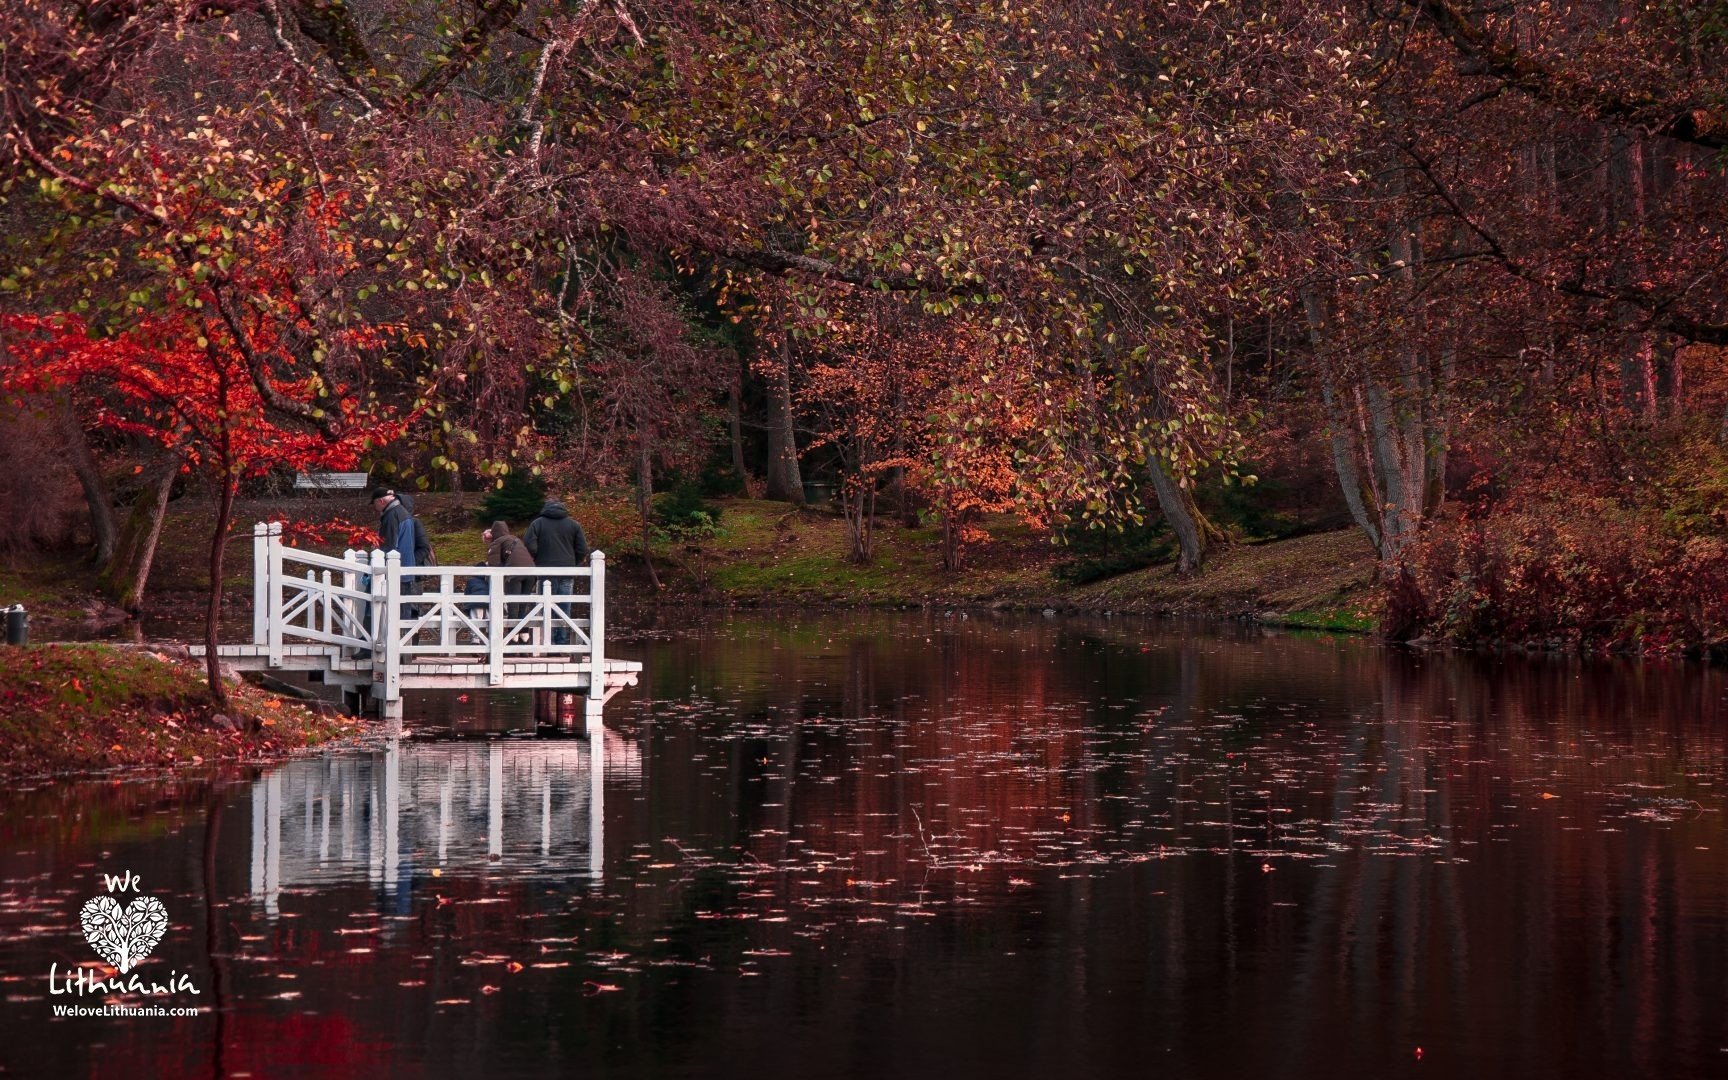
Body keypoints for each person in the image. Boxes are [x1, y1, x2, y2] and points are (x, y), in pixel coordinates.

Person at [522, 498, 589, 646]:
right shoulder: (573, 524)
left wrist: (538, 557)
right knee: (564, 608)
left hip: (545, 571)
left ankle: (548, 641)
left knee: (545, 607)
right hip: (567, 571)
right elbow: (583, 549)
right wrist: (573, 562)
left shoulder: (537, 523)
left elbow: (530, 545)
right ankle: (562, 643)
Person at [486, 520, 537, 628]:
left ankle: (512, 636)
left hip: (515, 574)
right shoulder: (516, 539)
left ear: (494, 532)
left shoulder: (497, 542)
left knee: (513, 605)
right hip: (532, 573)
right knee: (523, 604)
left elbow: (493, 565)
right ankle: (524, 634)